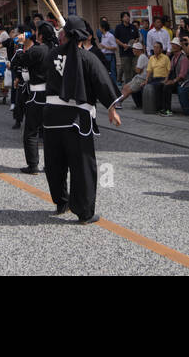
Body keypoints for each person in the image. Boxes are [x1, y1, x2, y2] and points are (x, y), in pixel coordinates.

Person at [42, 15, 123, 223]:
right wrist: (112, 108)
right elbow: (102, 82)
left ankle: (62, 202)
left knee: (55, 163)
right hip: (77, 120)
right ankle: (84, 212)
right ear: (82, 37)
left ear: (66, 34)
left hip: (51, 117)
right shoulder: (87, 58)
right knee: (82, 165)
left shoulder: (52, 55)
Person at [20, 22, 55, 174]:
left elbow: (20, 61)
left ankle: (33, 165)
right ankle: (51, 165)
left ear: (40, 35)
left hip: (37, 93)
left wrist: (23, 46)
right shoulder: (57, 49)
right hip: (54, 95)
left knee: (31, 131)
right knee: (50, 132)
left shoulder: (37, 50)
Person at [118, 40, 149, 108]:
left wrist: (136, 68)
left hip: (142, 78)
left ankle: (118, 102)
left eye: (134, 49)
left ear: (138, 50)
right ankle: (118, 100)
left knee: (129, 89)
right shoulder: (140, 57)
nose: (133, 50)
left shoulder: (142, 57)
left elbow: (138, 70)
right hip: (138, 77)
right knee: (126, 86)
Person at [113, 12, 139, 83]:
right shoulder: (118, 27)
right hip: (124, 53)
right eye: (125, 16)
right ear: (122, 18)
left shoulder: (133, 27)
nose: (127, 17)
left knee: (135, 70)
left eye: (128, 16)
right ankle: (128, 88)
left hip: (134, 53)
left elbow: (137, 38)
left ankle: (135, 87)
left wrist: (134, 41)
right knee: (127, 72)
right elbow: (116, 39)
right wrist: (123, 45)